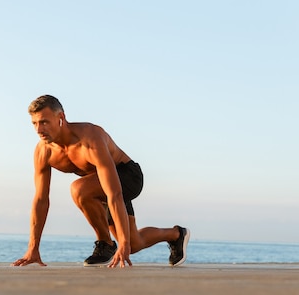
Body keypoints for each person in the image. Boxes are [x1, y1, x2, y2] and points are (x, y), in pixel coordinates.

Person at [12, 95, 189, 268]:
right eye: (34, 123)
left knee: (79, 189)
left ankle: (106, 244)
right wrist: (33, 248)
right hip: (99, 186)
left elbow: (114, 193)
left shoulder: (90, 138)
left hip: (127, 176)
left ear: (61, 118)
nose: (38, 129)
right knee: (134, 244)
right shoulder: (44, 152)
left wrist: (122, 245)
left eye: (44, 122)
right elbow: (41, 200)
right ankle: (176, 234)